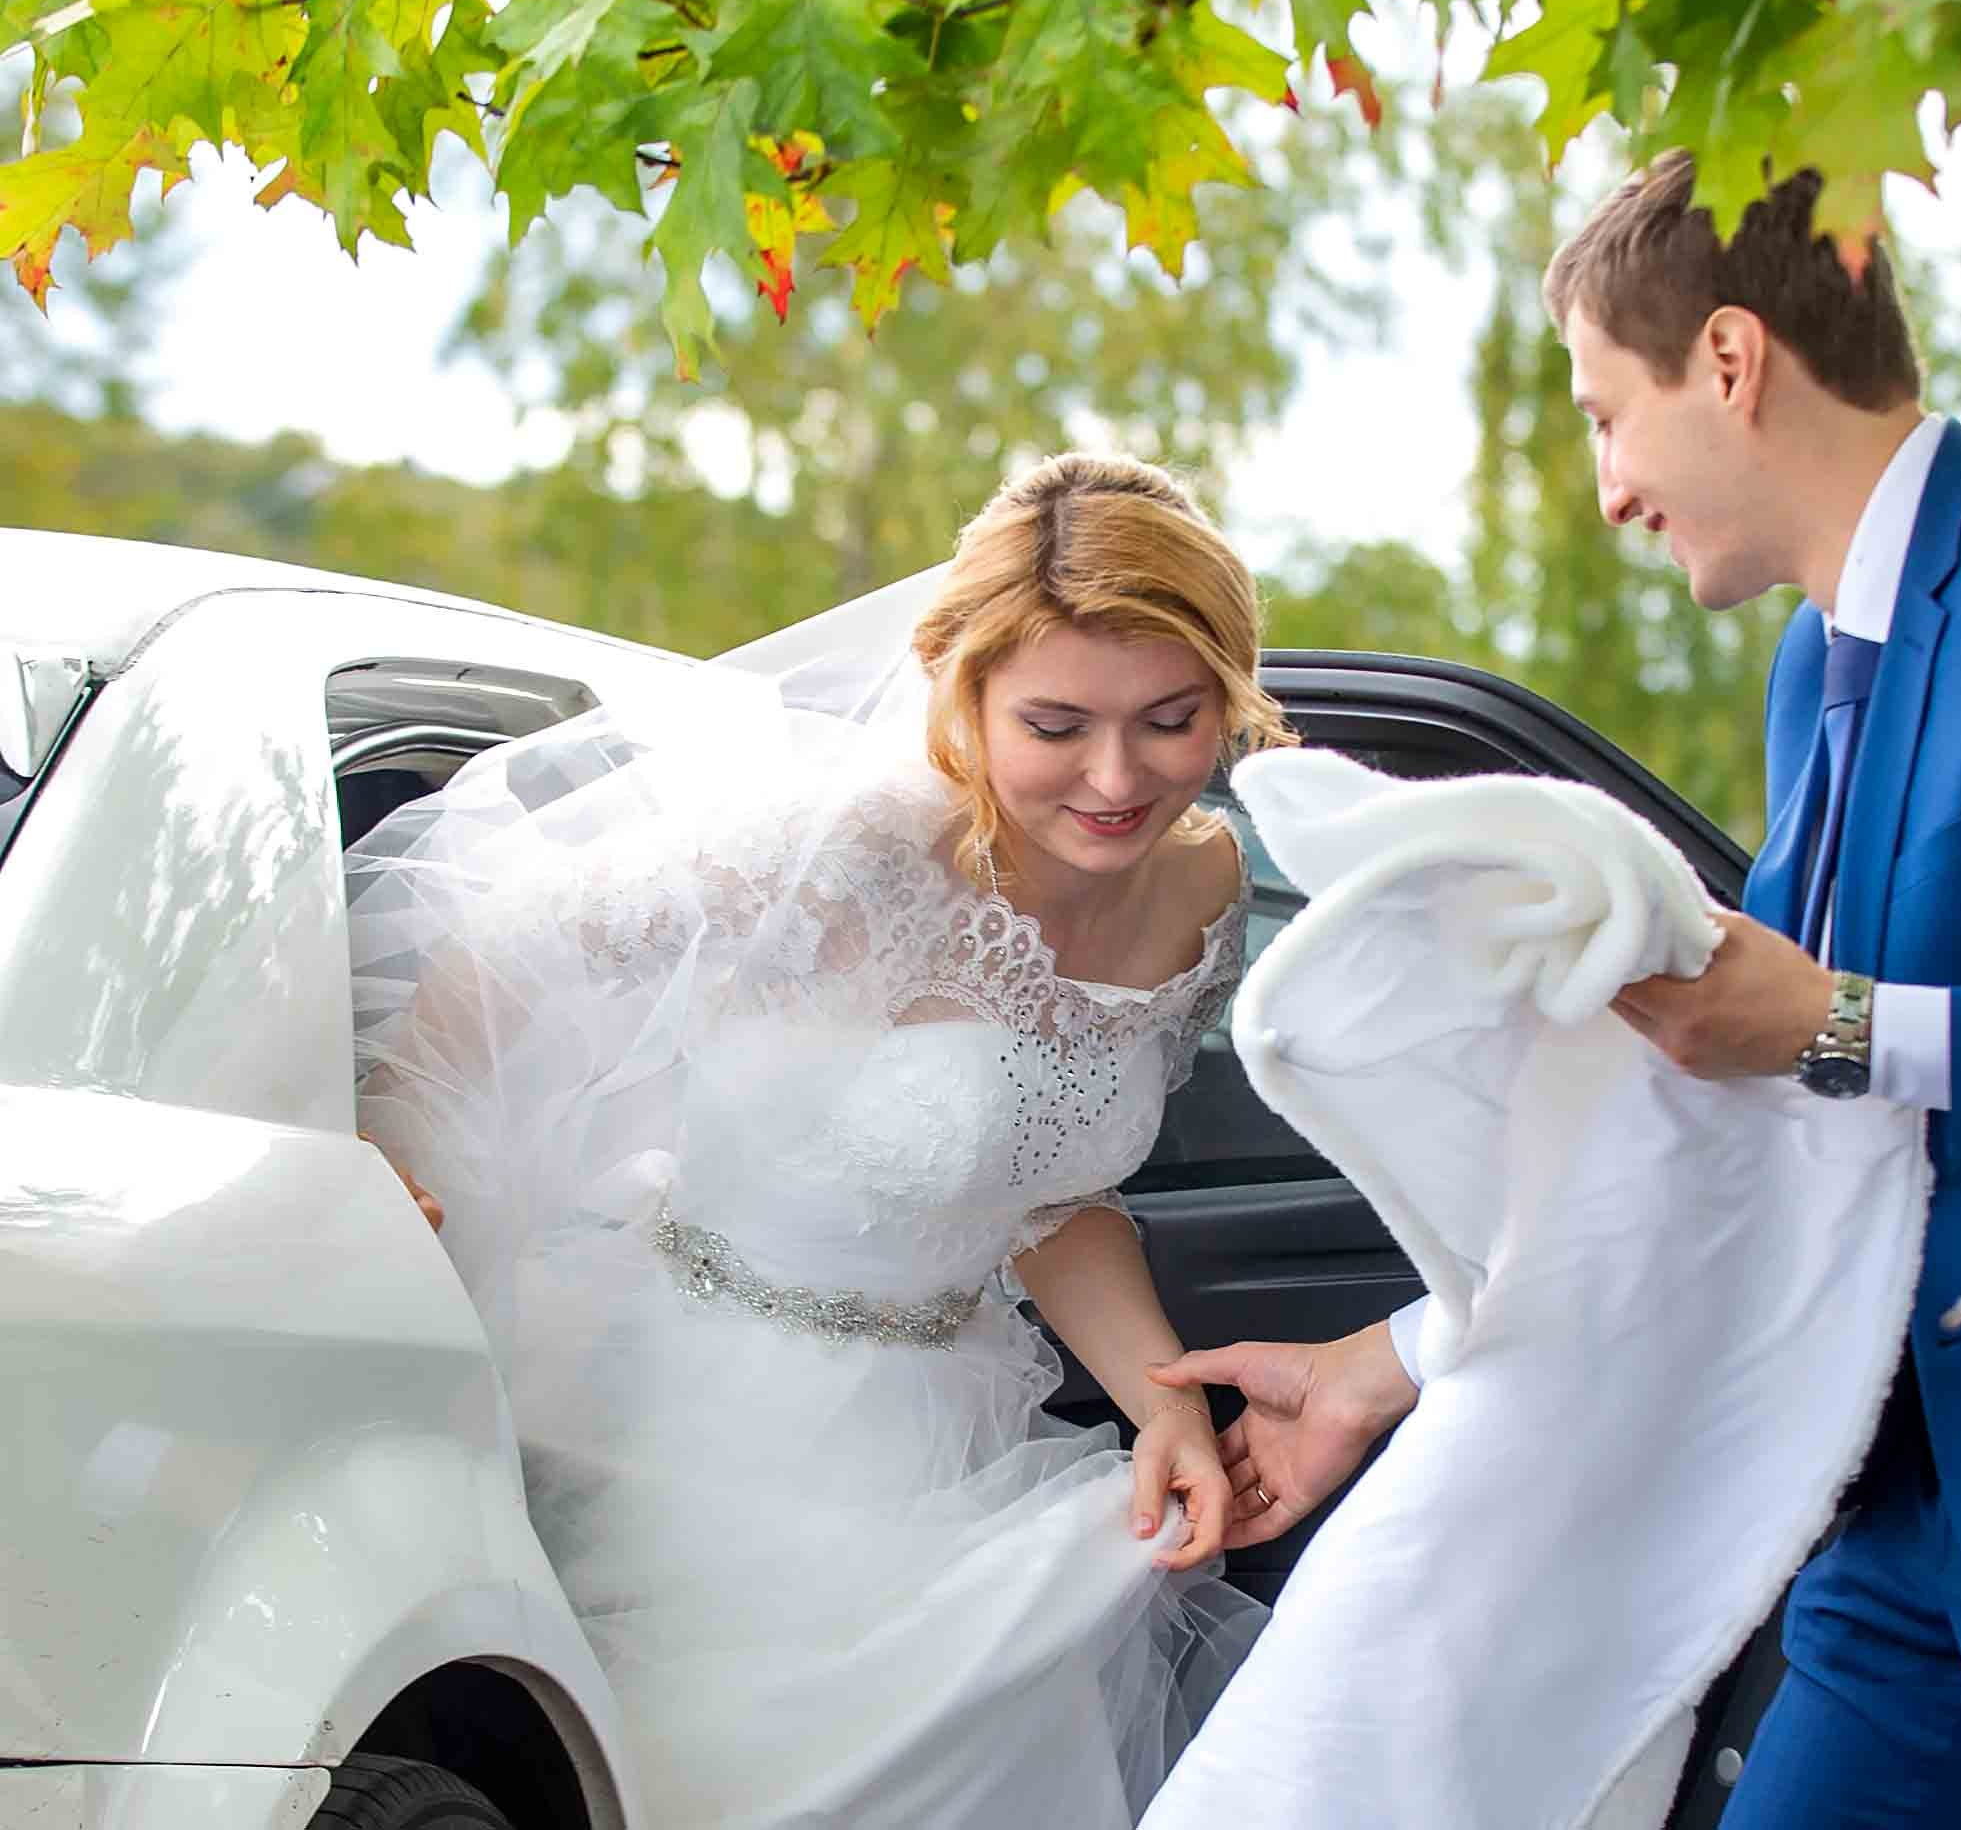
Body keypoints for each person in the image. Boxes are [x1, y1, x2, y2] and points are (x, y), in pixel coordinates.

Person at [1154, 154, 1961, 1829]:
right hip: (1900, 1485)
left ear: (1729, 361)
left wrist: (1838, 1024)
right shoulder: (1818, 655)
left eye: (1607, 413)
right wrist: (1396, 1356)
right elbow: (1752, 1121)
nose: (1606, 485)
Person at [350, 453, 1286, 1828]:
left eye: (1168, 719)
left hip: (947, 1421)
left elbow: (1055, 1197)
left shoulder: (1200, 885)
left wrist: (1162, 1407)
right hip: (697, 1428)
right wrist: (386, 1175)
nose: (1113, 776)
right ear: (960, 694)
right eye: (1054, 724)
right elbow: (488, 969)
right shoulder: (844, 849)